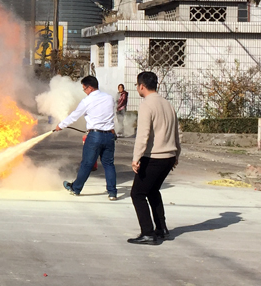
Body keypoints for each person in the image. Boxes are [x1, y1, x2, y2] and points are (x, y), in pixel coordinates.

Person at [128, 71, 181, 246]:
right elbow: (176, 132)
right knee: (152, 191)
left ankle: (148, 233)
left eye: (137, 85)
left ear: (141, 86)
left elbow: (143, 134)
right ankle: (161, 228)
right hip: (168, 156)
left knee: (137, 193)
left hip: (154, 157)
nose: (137, 88)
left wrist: (136, 158)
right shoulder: (167, 104)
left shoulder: (146, 105)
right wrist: (176, 155)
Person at [54, 76, 117, 200]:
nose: (84, 91)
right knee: (109, 164)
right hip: (109, 136)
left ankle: (76, 188)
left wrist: (60, 126)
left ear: (90, 87)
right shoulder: (109, 98)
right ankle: (112, 193)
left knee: (87, 164)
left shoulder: (86, 101)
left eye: (84, 89)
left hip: (94, 136)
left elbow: (74, 116)